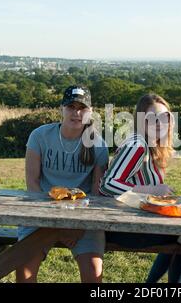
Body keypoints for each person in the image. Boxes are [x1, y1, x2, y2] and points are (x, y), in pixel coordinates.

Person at [16, 85, 109, 283]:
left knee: (94, 274)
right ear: (61, 109)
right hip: (41, 213)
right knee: (24, 272)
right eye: (71, 107)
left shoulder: (98, 145)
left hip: (82, 217)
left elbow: (96, 194)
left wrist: (78, 226)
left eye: (82, 108)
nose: (76, 113)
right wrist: (52, 222)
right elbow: (32, 184)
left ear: (90, 112)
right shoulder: (39, 136)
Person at [99, 94, 181, 283]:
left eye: (165, 117)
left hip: (139, 220)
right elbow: (107, 184)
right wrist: (151, 190)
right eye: (152, 119)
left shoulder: (151, 145)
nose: (159, 123)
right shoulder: (137, 145)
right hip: (125, 228)